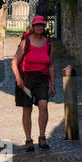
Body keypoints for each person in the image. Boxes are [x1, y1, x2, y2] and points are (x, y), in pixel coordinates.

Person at [12, 14, 55, 151]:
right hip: (26, 78)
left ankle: (42, 137)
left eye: (42, 25)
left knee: (43, 105)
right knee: (27, 109)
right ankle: (28, 139)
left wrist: (53, 84)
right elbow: (14, 62)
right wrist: (19, 79)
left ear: (44, 27)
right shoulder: (26, 42)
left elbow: (51, 65)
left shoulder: (48, 43)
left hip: (42, 79)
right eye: (37, 25)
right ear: (33, 26)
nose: (39, 27)